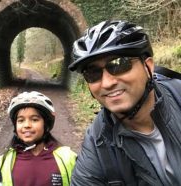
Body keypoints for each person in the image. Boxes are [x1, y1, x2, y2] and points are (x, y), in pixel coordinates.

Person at [68, 20, 181, 185]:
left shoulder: (178, 98)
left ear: (148, 66)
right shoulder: (98, 145)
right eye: (93, 73)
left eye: (120, 64)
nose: (107, 83)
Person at [0, 91, 77, 186]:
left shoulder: (68, 158)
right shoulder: (5, 161)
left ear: (46, 124)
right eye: (21, 120)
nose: (27, 125)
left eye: (34, 119)